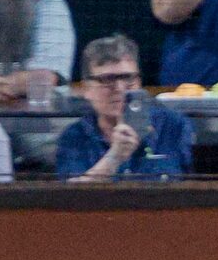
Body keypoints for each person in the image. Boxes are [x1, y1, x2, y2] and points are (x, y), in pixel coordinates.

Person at [52, 35, 192, 182]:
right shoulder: (74, 137)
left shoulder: (173, 126)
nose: (119, 88)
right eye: (107, 79)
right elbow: (71, 198)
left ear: (139, 82)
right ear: (87, 89)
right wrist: (114, 157)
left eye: (127, 78)